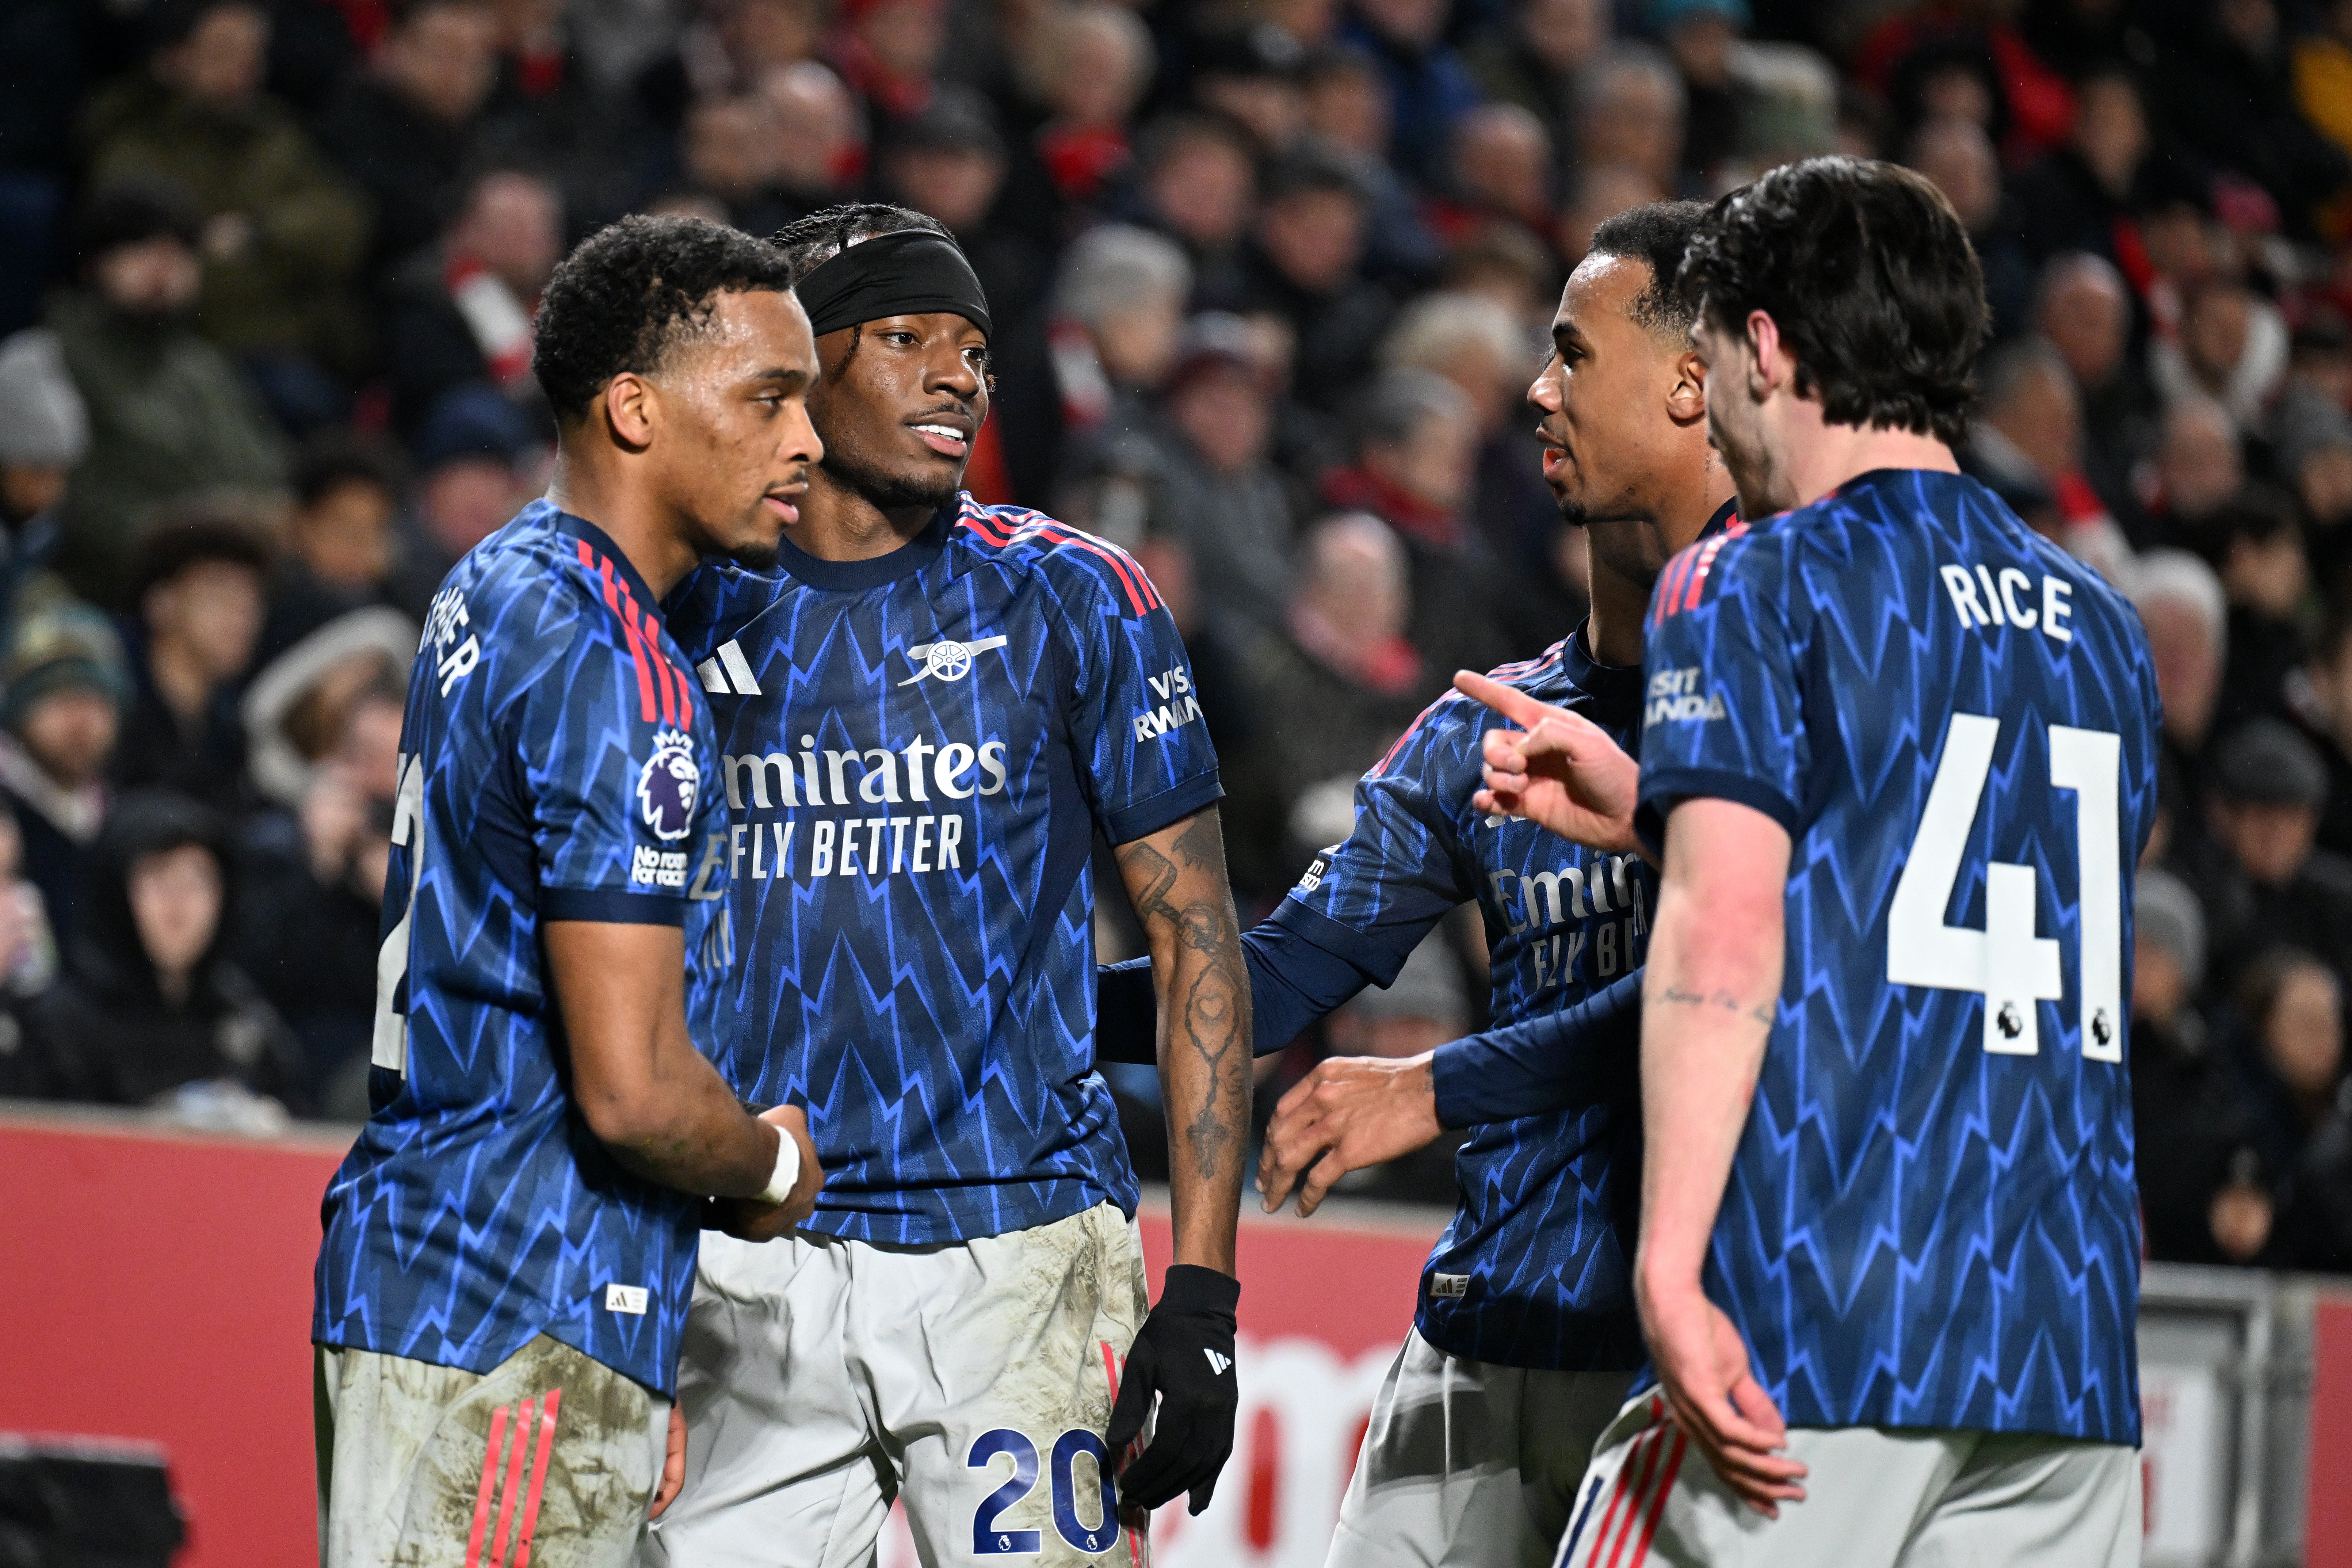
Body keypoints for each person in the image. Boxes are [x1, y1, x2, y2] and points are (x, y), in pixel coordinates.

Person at [1477, 157, 2158, 1568]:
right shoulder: (2104, 628)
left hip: (1822, 1309)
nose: (1715, 408)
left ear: (1767, 346)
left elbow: (1727, 932)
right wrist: (1663, 805)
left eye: (1717, 355)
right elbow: (1949, 885)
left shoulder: (1753, 578)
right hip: (2063, 1348)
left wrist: (1665, 1266)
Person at [641, 202, 1253, 1567]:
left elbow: (1197, 935)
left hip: (1020, 1249)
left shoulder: (1074, 594)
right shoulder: (688, 601)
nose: (956, 373)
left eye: (972, 347)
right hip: (751, 1248)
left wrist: (1203, 1295)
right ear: (801, 374)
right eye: (906, 336)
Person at [1127, 202, 1737, 1568]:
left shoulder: (1788, 702)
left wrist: (1430, 1086)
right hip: (1478, 1346)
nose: (1535, 391)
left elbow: (1738, 980)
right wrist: (997, 994)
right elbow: (1277, 971)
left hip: (1696, 1358)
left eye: (1573, 355)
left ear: (1693, 384)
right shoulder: (1486, 722)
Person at [311, 214, 827, 1568]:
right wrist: (772, 1162)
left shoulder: (498, 580)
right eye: (769, 395)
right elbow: (637, 1093)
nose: (807, 441)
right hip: (518, 1299)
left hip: (433, 1275)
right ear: (635, 408)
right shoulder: (621, 665)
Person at [28, 788, 302, 1115]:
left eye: (198, 880)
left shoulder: (242, 1017)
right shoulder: (62, 1024)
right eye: (158, 875)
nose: (179, 902)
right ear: (116, 889)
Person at [111, 515, 271, 814]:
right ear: (161, 604)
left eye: (251, 601)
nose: (242, 617)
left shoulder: (230, 728)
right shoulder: (114, 706)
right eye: (220, 596)